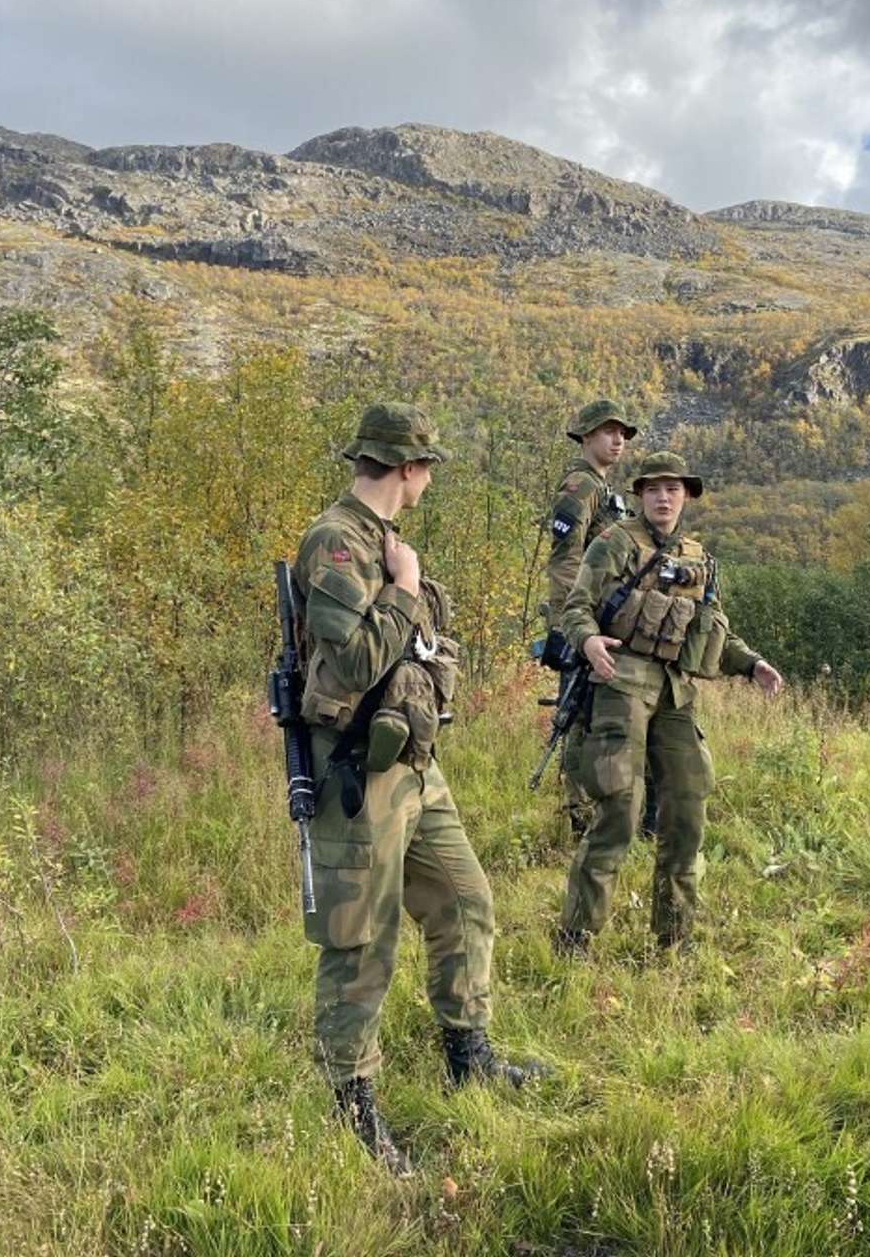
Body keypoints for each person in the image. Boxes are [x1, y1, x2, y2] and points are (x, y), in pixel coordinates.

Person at [293, 402, 543, 1177]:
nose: (430, 476)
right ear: (404, 468)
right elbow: (356, 665)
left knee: (466, 900)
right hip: (357, 775)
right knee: (361, 943)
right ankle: (352, 1104)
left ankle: (469, 1056)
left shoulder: (383, 542)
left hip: (415, 769)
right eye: (427, 464)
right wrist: (403, 588)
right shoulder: (337, 542)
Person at [557, 451, 783, 954]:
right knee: (619, 809)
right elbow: (576, 609)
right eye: (655, 488)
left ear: (686, 496)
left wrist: (752, 665)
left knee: (687, 809)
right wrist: (589, 641)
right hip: (620, 683)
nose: (664, 497)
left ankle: (675, 939)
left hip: (677, 692)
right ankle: (576, 937)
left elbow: (713, 631)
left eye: (674, 489)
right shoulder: (615, 544)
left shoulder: (698, 558)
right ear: (640, 495)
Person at [539, 399, 649, 838]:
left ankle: (603, 810)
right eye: (608, 431)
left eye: (622, 432)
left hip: (604, 622)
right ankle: (578, 816)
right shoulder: (580, 487)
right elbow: (564, 562)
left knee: (602, 715)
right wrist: (572, 627)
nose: (618, 439)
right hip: (583, 624)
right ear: (585, 437)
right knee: (579, 716)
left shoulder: (603, 489)